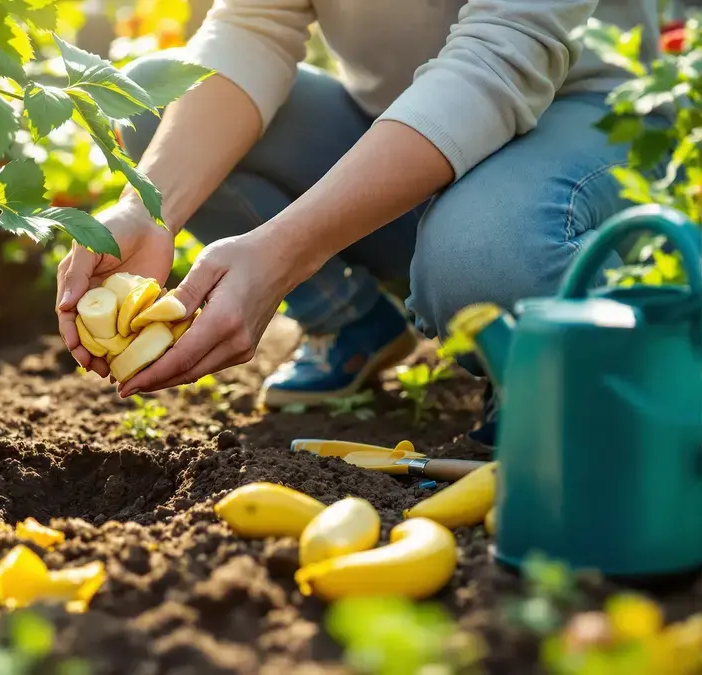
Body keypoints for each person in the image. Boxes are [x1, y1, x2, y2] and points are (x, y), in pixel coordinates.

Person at [56, 0, 668, 446]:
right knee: (155, 103)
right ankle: (353, 323)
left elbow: (502, 57)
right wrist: (150, 206)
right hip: (394, 126)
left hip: (575, 117)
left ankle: (535, 355)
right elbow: (255, 23)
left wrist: (285, 251)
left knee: (483, 257)